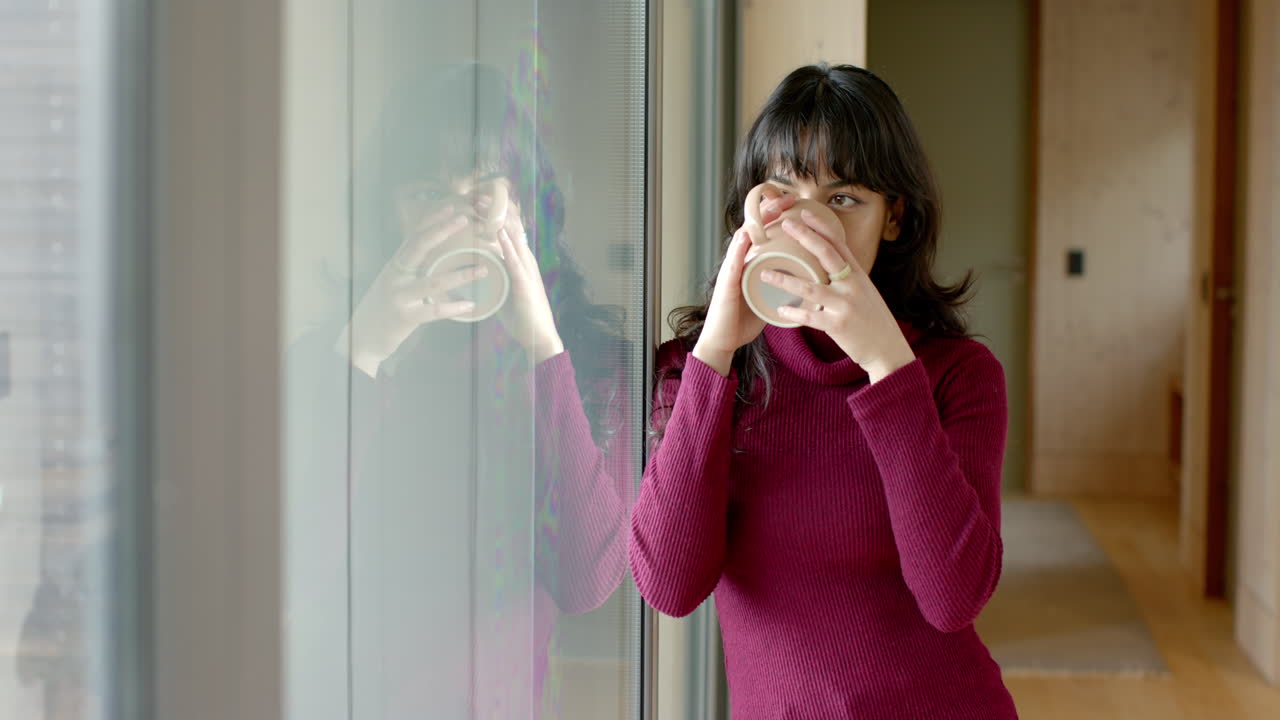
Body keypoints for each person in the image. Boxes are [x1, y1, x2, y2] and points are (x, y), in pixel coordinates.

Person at [629, 63, 1019, 719]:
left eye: (842, 199)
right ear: (750, 211)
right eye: (783, 193)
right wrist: (717, 350)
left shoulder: (958, 373)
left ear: (893, 217)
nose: (808, 224)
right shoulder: (696, 373)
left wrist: (889, 367)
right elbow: (669, 585)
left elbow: (954, 598)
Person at [289, 62, 635, 718]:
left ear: (524, 201)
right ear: (388, 214)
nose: (454, 221)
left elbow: (586, 580)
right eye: (426, 195)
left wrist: (541, 349)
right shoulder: (328, 362)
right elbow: (296, 572)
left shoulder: (587, 368)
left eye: (479, 191)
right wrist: (362, 352)